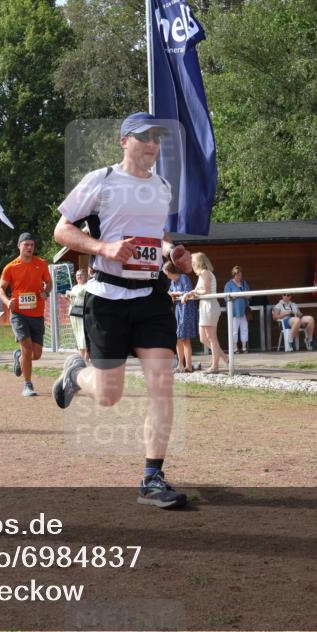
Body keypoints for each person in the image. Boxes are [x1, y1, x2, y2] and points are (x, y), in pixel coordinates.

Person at [52, 111, 195, 509]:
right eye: (144, 137)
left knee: (162, 384)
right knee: (110, 396)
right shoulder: (102, 180)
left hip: (151, 297)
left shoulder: (163, 187)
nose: (152, 145)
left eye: (157, 139)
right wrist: (104, 249)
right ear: (124, 141)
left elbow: (159, 236)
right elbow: (62, 230)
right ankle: (77, 376)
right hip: (107, 298)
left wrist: (172, 253)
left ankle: (152, 477)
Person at [0, 232, 52, 397]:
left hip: (37, 314)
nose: (30, 248)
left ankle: (19, 356)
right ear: (19, 246)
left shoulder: (41, 264)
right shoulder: (11, 267)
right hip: (19, 314)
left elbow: (48, 283)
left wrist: (46, 292)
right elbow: (0, 288)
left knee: (36, 354)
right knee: (27, 349)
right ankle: (27, 385)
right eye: (26, 244)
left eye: (32, 245)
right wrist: (8, 302)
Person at [182, 252, 226, 374]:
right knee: (203, 338)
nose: (192, 263)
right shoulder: (201, 275)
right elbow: (196, 290)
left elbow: (205, 291)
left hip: (210, 306)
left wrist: (192, 294)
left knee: (212, 338)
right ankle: (224, 358)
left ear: (199, 261)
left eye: (193, 261)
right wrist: (188, 293)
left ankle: (215, 366)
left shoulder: (205, 273)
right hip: (204, 306)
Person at [164, 261, 196, 373]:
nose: (166, 276)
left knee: (185, 338)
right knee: (177, 338)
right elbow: (170, 292)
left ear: (170, 271)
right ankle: (180, 365)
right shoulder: (173, 281)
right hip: (178, 310)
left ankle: (189, 366)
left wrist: (176, 293)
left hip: (186, 310)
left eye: (166, 273)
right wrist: (173, 294)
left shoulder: (184, 278)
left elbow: (188, 292)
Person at [224, 265, 251, 354]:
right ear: (234, 274)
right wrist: (236, 296)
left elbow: (249, 295)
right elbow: (226, 297)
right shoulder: (229, 284)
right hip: (234, 311)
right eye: (237, 275)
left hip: (243, 311)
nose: (239, 276)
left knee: (244, 329)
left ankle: (244, 347)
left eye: (240, 274)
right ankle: (235, 348)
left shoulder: (244, 283)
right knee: (234, 330)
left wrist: (242, 295)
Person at [66, 268, 89, 361]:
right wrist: (67, 298)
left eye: (81, 275)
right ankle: (81, 356)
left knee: (84, 334)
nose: (79, 277)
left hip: (83, 313)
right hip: (74, 313)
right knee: (78, 334)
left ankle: (86, 357)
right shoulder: (75, 287)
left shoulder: (87, 286)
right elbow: (72, 301)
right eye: (77, 275)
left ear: (85, 276)